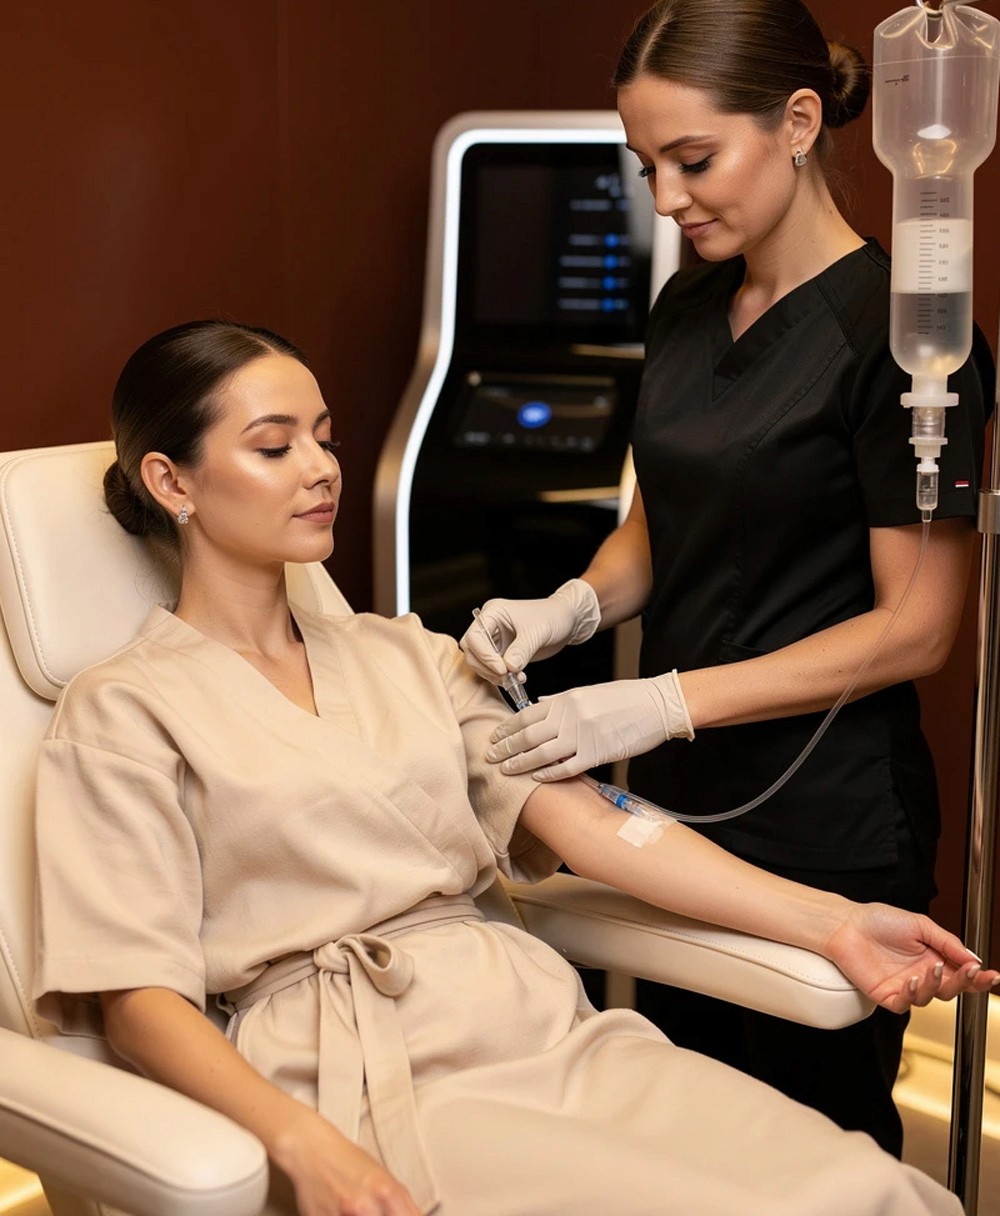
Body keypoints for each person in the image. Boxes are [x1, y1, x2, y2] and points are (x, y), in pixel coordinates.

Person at [31, 320, 997, 1216]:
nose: (322, 468)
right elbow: (139, 999)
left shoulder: (409, 654)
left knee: (871, 1193)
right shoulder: (122, 710)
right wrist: (302, 1144)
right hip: (355, 1073)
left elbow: (595, 824)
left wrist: (833, 924)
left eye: (325, 437)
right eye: (275, 447)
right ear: (173, 482)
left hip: (539, 1023)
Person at [459, 0, 996, 1161]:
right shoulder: (690, 303)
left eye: (692, 159)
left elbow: (916, 627)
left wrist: (661, 698)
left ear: (798, 122)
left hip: (827, 812)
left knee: (809, 1146)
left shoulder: (906, 340)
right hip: (674, 803)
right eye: (645, 164)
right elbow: (657, 530)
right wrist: (575, 608)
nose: (664, 199)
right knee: (684, 1127)